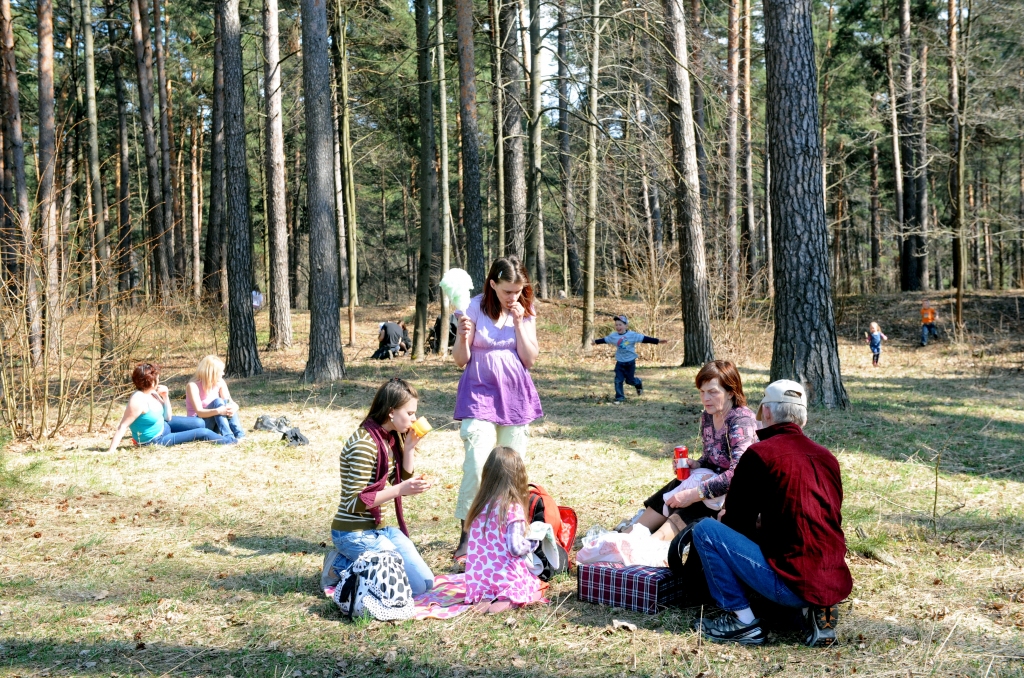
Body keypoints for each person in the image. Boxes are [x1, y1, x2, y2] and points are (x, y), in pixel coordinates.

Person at [690, 379, 852, 647]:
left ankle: (742, 621)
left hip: (788, 582)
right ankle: (811, 607)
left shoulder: (760, 454)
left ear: (766, 412)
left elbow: (736, 523)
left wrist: (727, 522)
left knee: (707, 531)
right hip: (832, 578)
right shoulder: (827, 457)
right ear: (803, 417)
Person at [451, 256, 543, 566]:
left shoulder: (525, 310)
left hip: (515, 396)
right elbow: (460, 359)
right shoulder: (474, 307)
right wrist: (463, 336)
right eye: (507, 291)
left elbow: (529, 359)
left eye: (518, 291)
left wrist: (519, 323)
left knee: (511, 470)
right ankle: (467, 533)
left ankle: (509, 531)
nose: (512, 297)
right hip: (479, 393)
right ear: (492, 284)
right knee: (477, 463)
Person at [322, 378, 434, 595]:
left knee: (426, 583)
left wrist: (409, 447)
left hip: (377, 531)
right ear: (391, 412)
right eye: (409, 413)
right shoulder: (364, 444)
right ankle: (339, 566)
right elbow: (355, 502)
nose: (414, 419)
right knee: (414, 588)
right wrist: (401, 489)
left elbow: (399, 480)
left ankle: (365, 562)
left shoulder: (388, 439)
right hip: (351, 534)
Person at [623, 361, 757, 541]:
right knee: (677, 486)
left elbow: (739, 474)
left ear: (731, 392)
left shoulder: (740, 420)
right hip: (709, 481)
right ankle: (628, 534)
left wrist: (694, 494)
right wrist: (697, 464)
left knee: (693, 501)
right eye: (702, 391)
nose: (705, 398)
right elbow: (713, 458)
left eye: (713, 392)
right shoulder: (708, 416)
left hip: (737, 494)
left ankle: (656, 542)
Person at [464, 446, 544, 613]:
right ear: (518, 477)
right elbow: (515, 548)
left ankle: (485, 598)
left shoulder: (479, 505)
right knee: (535, 587)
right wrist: (533, 543)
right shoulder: (512, 507)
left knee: (487, 588)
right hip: (504, 576)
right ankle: (506, 599)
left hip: (479, 577)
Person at [108, 363, 237, 451]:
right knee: (202, 433)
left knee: (199, 422)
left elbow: (168, 417)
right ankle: (229, 440)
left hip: (165, 426)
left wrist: (165, 397)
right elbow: (123, 426)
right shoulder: (137, 400)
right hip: (155, 440)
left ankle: (220, 433)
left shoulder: (153, 393)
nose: (159, 379)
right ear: (150, 380)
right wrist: (111, 451)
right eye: (157, 377)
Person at [593, 315, 662, 403]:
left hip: (630, 362)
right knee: (618, 380)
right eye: (616, 325)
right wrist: (595, 342)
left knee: (630, 381)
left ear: (626, 326)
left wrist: (657, 341)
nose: (618, 327)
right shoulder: (613, 336)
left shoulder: (632, 335)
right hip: (620, 363)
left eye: (620, 325)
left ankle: (638, 382)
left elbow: (644, 339)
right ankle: (620, 398)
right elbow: (605, 340)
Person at [185, 355, 245, 439]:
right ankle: (228, 437)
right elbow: (199, 412)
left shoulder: (220, 382)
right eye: (220, 371)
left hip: (215, 422)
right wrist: (218, 411)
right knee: (218, 401)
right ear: (211, 372)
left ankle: (240, 435)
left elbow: (229, 401)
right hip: (199, 425)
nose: (223, 374)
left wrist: (234, 407)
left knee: (227, 404)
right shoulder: (193, 386)